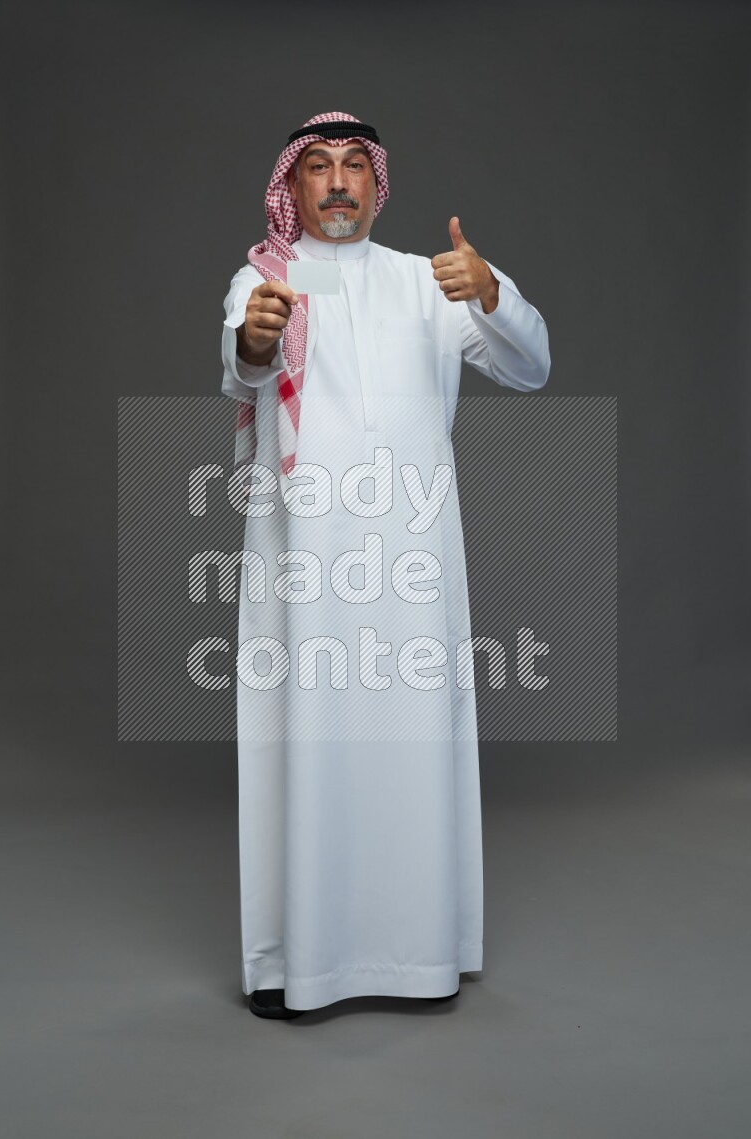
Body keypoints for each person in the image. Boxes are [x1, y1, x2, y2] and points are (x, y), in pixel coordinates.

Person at [220, 111, 550, 1019]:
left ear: (377, 185)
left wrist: (491, 293)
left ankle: (418, 956)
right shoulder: (265, 279)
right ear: (289, 189)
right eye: (316, 168)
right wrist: (254, 335)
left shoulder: (427, 282)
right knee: (307, 742)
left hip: (410, 563)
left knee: (412, 746)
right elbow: (246, 366)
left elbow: (532, 368)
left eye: (353, 166)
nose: (335, 182)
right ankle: (301, 962)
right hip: (305, 566)